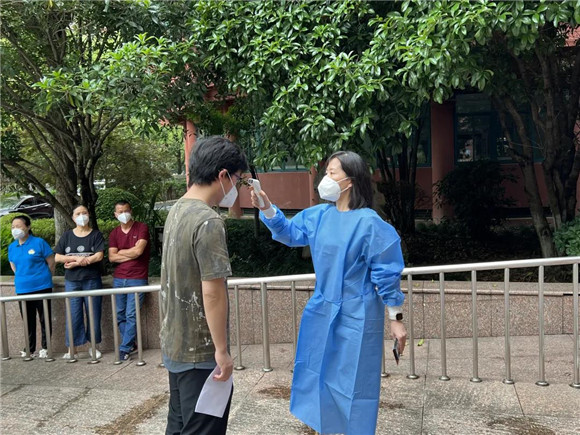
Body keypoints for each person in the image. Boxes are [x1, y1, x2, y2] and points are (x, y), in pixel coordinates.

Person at [250, 150, 407, 435]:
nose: (326, 178)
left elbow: (387, 272)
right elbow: (289, 232)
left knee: (355, 379)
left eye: (333, 172)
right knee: (317, 372)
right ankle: (325, 428)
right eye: (327, 172)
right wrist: (267, 207)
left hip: (358, 313)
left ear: (351, 180)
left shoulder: (370, 223)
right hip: (323, 308)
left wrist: (396, 318)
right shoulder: (319, 216)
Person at [160, 135, 247, 435]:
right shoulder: (208, 221)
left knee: (179, 425)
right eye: (237, 179)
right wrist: (221, 351)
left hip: (175, 343)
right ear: (223, 175)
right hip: (199, 353)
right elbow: (212, 291)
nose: (236, 187)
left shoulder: (177, 209)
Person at [54, 205, 105, 360]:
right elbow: (57, 257)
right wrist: (76, 258)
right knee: (73, 314)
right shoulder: (67, 235)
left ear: (89, 215)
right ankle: (72, 349)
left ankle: (94, 347)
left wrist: (80, 262)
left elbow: (99, 256)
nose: (82, 216)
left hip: (92, 280)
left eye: (84, 213)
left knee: (93, 314)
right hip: (72, 281)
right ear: (73, 217)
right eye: (78, 213)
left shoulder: (96, 235)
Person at [108, 200, 150, 362]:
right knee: (120, 315)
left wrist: (121, 253)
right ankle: (131, 343)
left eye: (126, 210)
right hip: (119, 278)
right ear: (115, 214)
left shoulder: (141, 228)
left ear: (131, 211)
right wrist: (130, 253)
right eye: (120, 211)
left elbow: (139, 252)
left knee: (131, 314)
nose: (123, 214)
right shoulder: (114, 233)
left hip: (137, 278)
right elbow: (112, 257)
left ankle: (124, 348)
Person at [8, 215, 55, 358]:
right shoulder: (12, 247)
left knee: (44, 318)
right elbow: (14, 266)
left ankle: (46, 347)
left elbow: (51, 262)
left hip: (42, 286)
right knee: (28, 320)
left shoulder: (39, 242)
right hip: (23, 288)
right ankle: (30, 347)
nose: (15, 229)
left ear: (28, 227)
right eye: (13, 227)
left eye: (19, 226)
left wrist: (45, 277)